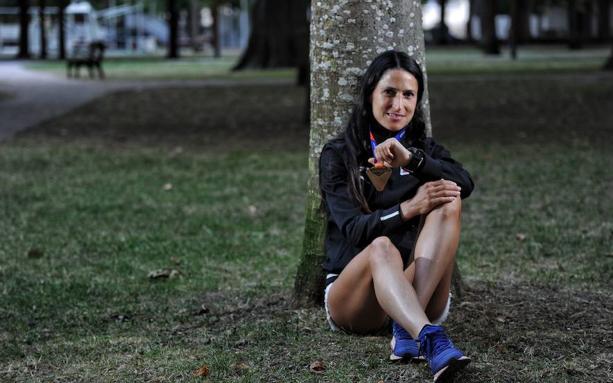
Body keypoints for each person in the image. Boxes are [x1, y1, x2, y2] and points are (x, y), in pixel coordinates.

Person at [319, 50, 475, 382]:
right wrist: (409, 208)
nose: (398, 104)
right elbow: (353, 230)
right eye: (389, 92)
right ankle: (429, 338)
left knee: (449, 198)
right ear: (370, 94)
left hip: (418, 287)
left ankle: (407, 332)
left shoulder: (422, 151)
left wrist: (412, 162)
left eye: (408, 95)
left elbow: (466, 183)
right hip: (355, 297)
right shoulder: (339, 155)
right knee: (380, 247)